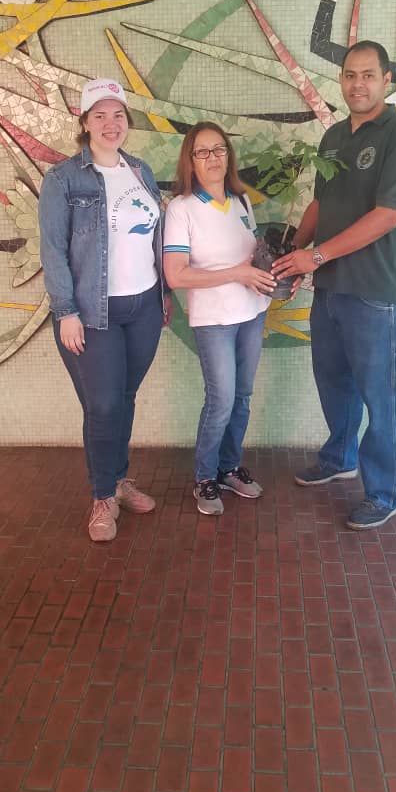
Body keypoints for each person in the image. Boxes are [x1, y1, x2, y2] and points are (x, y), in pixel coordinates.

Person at [273, 41, 396, 530]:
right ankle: (340, 458)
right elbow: (322, 203)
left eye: (368, 75)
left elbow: (388, 215)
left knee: (381, 395)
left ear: (386, 80)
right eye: (350, 75)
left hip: (375, 290)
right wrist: (293, 254)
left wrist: (315, 256)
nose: (358, 84)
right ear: (341, 80)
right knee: (333, 380)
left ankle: (384, 493)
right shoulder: (334, 137)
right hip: (331, 286)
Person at [39, 78, 172, 542]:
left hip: (144, 307)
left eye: (118, 115)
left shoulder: (141, 171)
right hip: (93, 313)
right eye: (100, 115)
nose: (110, 124)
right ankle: (101, 497)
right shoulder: (63, 179)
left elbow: (154, 238)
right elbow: (53, 251)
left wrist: (164, 295)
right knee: (103, 404)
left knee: (125, 397)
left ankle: (118, 480)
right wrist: (66, 311)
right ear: (84, 123)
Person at [163, 122, 277, 516]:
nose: (212, 158)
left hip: (253, 312)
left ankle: (229, 468)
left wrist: (276, 274)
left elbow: (253, 255)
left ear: (228, 155)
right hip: (214, 320)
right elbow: (176, 275)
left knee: (242, 397)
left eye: (219, 149)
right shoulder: (181, 209)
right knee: (222, 400)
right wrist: (236, 274)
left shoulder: (241, 200)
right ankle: (204, 477)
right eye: (202, 152)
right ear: (190, 161)